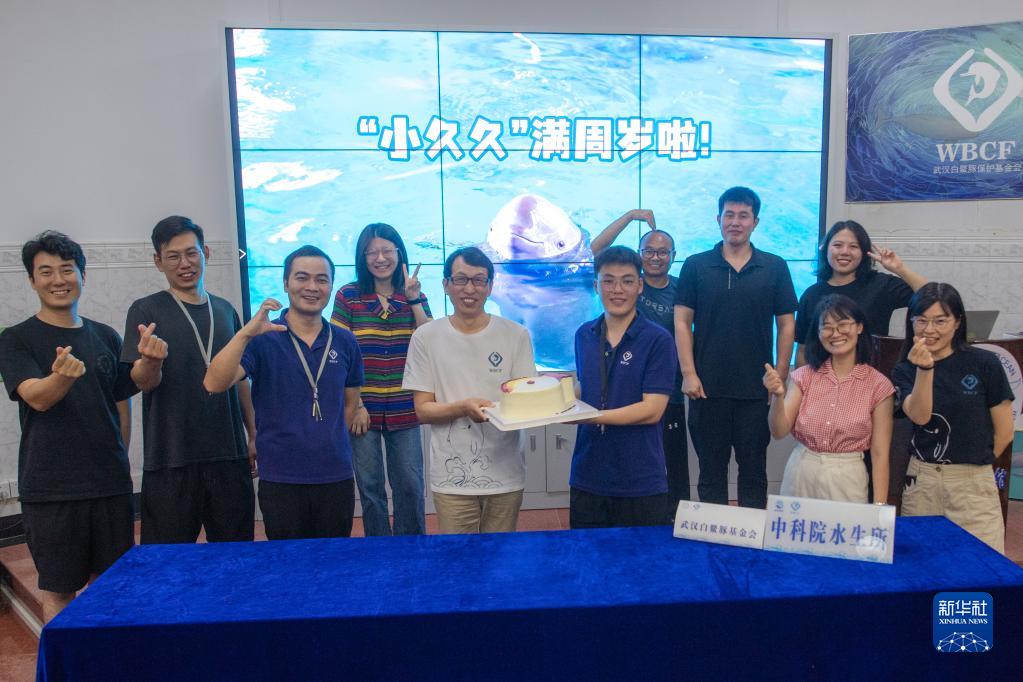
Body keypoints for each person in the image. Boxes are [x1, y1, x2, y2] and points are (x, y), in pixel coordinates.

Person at [0, 232, 139, 622]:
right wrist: (61, 377)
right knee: (60, 589)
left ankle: (107, 655)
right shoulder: (15, 339)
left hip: (110, 487)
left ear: (82, 275)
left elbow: (121, 403)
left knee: (112, 585)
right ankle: (65, 658)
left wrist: (118, 462)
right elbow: (36, 397)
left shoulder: (105, 335)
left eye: (67, 269)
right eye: (46, 272)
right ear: (32, 280)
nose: (58, 280)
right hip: (51, 491)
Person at [204, 245, 363, 540]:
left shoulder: (345, 341)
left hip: (335, 476)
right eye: (302, 277)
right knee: (286, 563)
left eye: (322, 279)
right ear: (286, 283)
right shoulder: (263, 338)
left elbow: (350, 404)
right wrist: (245, 333)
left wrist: (324, 442)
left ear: (331, 286)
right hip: (281, 477)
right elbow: (214, 383)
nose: (312, 287)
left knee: (333, 561)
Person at [122, 216, 256, 544]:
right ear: (158, 262)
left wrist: (253, 434)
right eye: (173, 256)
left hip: (228, 456)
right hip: (171, 458)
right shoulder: (146, 311)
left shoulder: (225, 311)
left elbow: (240, 380)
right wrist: (151, 362)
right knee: (167, 560)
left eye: (191, 253)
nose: (185, 264)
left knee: (235, 556)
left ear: (205, 253)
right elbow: (141, 382)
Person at [674, 186, 797, 509]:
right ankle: (711, 536)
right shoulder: (696, 266)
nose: (735, 222)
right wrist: (689, 373)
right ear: (718, 219)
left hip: (755, 392)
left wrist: (780, 376)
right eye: (729, 215)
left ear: (755, 222)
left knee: (754, 472)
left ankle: (751, 535)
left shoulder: (774, 267)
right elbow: (682, 321)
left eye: (743, 216)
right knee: (710, 473)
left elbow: (786, 324)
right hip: (706, 390)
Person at [402, 246, 536, 534]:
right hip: (451, 478)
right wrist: (463, 407)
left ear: (490, 287)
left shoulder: (516, 335)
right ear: (446, 285)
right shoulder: (426, 337)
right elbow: (422, 410)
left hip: (505, 473)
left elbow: (526, 402)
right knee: (457, 557)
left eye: (479, 280)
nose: (470, 289)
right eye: (461, 279)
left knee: (499, 555)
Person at [892, 283, 1014, 553]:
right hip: (922, 481)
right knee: (922, 566)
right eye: (921, 321)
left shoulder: (985, 363)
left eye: (940, 321)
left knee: (982, 564)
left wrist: (972, 467)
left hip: (973, 482)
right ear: (911, 323)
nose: (930, 330)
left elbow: (1005, 432)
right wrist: (925, 369)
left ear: (957, 322)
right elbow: (920, 417)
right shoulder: (904, 368)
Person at [331, 223, 431, 536]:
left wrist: (413, 300)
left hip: (405, 406)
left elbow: (430, 342)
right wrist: (356, 404)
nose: (380, 258)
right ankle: (379, 549)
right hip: (362, 409)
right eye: (372, 252)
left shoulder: (414, 295)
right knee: (370, 487)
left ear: (399, 253)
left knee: (410, 485)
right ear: (362, 258)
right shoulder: (348, 296)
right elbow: (338, 354)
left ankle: (411, 548)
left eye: (387, 250)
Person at [569, 246, 677, 528]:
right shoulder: (584, 335)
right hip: (588, 474)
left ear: (640, 286)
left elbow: (652, 410)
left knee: (640, 557)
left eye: (627, 281)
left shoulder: (659, 340)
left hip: (640, 479)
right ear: (596, 286)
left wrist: (592, 417)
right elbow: (584, 386)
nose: (617, 290)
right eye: (608, 281)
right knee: (587, 554)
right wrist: (552, 402)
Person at [590, 209, 689, 515]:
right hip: (622, 387)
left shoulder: (682, 288)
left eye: (662, 252)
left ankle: (671, 522)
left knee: (670, 464)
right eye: (648, 251)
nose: (655, 257)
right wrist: (630, 216)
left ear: (673, 256)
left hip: (666, 391)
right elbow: (597, 251)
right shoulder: (626, 285)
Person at [763, 295, 894, 504]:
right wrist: (778, 396)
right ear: (818, 333)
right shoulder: (803, 376)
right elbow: (779, 432)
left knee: (847, 526)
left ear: (859, 327)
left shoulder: (878, 385)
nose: (835, 333)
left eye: (843, 324)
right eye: (827, 327)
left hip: (847, 475)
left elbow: (880, 454)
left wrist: (880, 506)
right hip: (802, 470)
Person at [795, 220, 927, 366]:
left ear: (864, 253)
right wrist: (800, 380)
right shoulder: (811, 295)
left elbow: (930, 296)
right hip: (822, 377)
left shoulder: (881, 285)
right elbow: (802, 349)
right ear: (825, 249)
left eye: (853, 246)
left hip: (872, 374)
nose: (845, 252)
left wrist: (899, 269)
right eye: (838, 245)